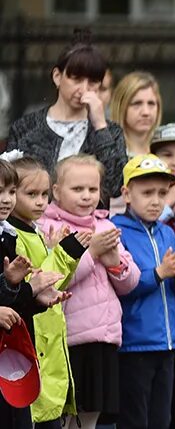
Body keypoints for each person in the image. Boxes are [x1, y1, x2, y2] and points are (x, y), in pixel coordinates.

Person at [37, 155, 142, 429]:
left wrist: (115, 264)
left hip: (103, 337)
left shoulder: (105, 226)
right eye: (77, 189)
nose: (86, 196)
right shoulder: (48, 228)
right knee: (65, 416)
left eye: (93, 190)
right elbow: (55, 281)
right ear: (56, 191)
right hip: (68, 340)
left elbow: (130, 283)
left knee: (91, 416)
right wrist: (92, 253)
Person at [112, 155, 175, 429]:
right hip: (133, 344)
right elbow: (122, 287)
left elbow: (174, 293)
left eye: (162, 193)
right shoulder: (116, 231)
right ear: (127, 194)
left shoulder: (166, 233)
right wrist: (159, 274)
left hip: (167, 343)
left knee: (162, 419)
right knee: (134, 419)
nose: (155, 200)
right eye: (147, 192)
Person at [8, 156, 91, 428]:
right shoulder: (13, 237)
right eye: (31, 194)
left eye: (44, 194)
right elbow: (35, 284)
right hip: (34, 341)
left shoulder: (37, 232)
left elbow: (54, 285)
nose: (40, 201)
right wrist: (65, 253)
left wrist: (64, 253)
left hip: (52, 343)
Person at [6, 32, 127, 204]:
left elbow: (115, 187)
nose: (84, 89)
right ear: (57, 77)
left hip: (90, 229)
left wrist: (100, 125)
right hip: (34, 227)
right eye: (76, 79)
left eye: (92, 82)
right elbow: (8, 187)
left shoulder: (111, 132)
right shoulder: (25, 128)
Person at [0, 158, 71, 429]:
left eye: (10, 191)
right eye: (0, 192)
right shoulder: (14, 236)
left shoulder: (8, 236)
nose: (6, 199)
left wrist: (35, 297)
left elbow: (13, 300)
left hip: (12, 352)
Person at [110, 71, 162, 158]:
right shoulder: (108, 151)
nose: (146, 112)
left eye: (151, 103)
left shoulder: (165, 151)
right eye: (137, 104)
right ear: (121, 106)